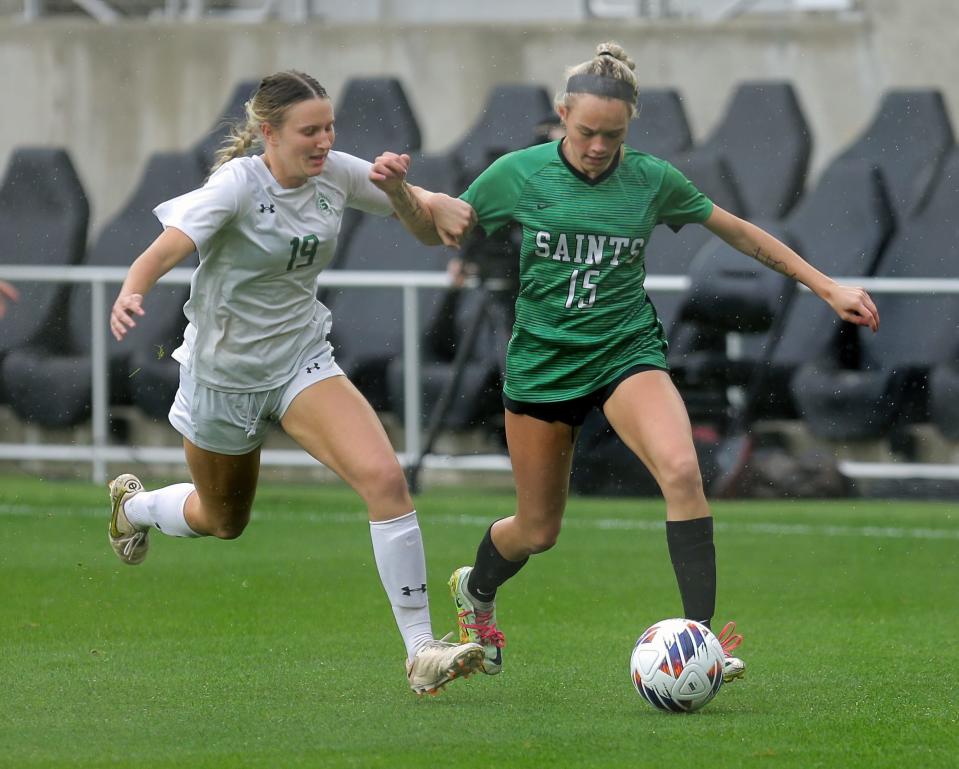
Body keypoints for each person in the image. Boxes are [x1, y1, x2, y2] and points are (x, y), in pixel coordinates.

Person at [370, 42, 880, 681]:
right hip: (542, 367)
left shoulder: (652, 179)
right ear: (562, 115)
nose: (597, 146)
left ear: (629, 125)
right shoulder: (517, 174)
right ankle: (477, 588)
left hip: (626, 353)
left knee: (682, 472)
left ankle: (701, 645)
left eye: (612, 134)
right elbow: (435, 231)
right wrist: (402, 195)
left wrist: (826, 285)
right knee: (537, 529)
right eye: (585, 132)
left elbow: (739, 231)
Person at [107, 70, 483, 695]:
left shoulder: (333, 170)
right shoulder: (235, 185)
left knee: (386, 478)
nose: (324, 141)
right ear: (268, 134)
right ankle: (136, 508)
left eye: (330, 127)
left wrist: (413, 197)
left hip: (300, 361)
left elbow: (420, 225)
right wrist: (131, 290)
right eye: (310, 131)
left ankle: (421, 649)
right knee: (223, 520)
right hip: (223, 377)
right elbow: (165, 249)